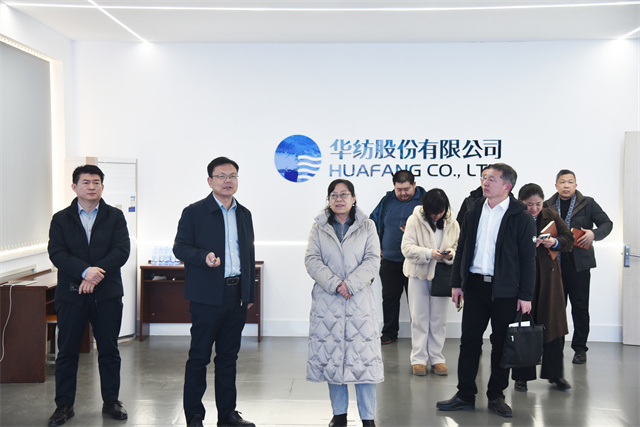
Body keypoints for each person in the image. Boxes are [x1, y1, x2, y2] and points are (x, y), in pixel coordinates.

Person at [436, 163, 536, 418]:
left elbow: (528, 259)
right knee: (469, 342)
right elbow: (463, 248)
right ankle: (465, 394)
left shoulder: (520, 216)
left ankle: (496, 395)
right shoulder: (474, 209)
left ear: (507, 186)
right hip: (475, 287)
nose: (485, 182)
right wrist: (456, 283)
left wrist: (526, 295)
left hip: (506, 291)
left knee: (501, 344)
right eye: (484, 177)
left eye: (492, 179)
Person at [173, 157, 256, 427]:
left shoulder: (244, 214)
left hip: (236, 295)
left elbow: (248, 255)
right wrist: (203, 256)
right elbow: (180, 248)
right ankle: (194, 415)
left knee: (228, 357)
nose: (227, 181)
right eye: (221, 176)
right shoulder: (194, 212)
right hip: (207, 296)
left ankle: (227, 414)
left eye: (232, 176)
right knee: (199, 357)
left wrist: (249, 294)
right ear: (210, 181)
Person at [47, 165, 130, 427]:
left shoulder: (115, 216)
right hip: (71, 295)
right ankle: (64, 405)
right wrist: (85, 271)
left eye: (96, 182)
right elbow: (57, 253)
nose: (91, 186)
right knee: (67, 351)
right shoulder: (61, 219)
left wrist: (94, 274)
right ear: (74, 187)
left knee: (109, 349)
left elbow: (121, 250)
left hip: (107, 294)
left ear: (102, 186)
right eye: (85, 182)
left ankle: (111, 401)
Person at [305, 179, 383, 427]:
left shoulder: (367, 225)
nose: (339, 199)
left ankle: (368, 418)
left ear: (354, 198)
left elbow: (373, 259)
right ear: (328, 199)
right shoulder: (319, 227)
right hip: (329, 302)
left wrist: (350, 284)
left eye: (344, 194)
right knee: (333, 358)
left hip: (359, 302)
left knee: (364, 363)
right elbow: (312, 260)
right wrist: (335, 284)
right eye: (334, 195)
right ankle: (339, 415)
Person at [545, 169, 613, 365]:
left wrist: (593, 234)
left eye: (570, 182)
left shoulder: (587, 203)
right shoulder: (548, 205)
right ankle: (554, 348)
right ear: (556, 185)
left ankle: (580, 349)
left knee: (580, 308)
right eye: (562, 182)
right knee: (555, 309)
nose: (566, 185)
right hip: (554, 263)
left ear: (576, 185)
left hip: (579, 263)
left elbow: (607, 224)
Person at [512, 183, 573, 392]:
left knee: (554, 327)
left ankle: (555, 374)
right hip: (522, 280)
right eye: (529, 204)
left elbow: (569, 239)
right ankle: (522, 377)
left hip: (549, 279)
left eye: (538, 204)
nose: (534, 208)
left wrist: (554, 242)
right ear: (520, 202)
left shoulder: (551, 216)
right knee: (523, 327)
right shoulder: (513, 216)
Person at [401, 189, 460, 376]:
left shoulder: (452, 222)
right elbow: (406, 248)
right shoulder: (414, 220)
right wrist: (428, 253)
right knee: (419, 318)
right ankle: (418, 359)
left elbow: (458, 246)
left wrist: (450, 254)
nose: (436, 216)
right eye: (433, 212)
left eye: (440, 212)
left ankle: (436, 358)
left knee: (438, 320)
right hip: (418, 275)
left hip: (442, 276)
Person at [369, 170, 427, 345]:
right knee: (389, 299)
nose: (403, 193)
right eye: (399, 189)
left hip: (415, 262)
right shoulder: (387, 200)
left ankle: (420, 335)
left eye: (406, 189)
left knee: (417, 302)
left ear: (414, 185)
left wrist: (415, 232)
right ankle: (389, 333)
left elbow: (438, 225)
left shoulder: (426, 200)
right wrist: (376, 245)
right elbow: (372, 222)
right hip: (389, 260)